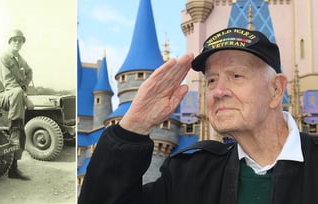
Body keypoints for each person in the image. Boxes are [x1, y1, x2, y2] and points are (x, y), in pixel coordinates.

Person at [78, 27, 318, 204]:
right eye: (212, 80)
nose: (219, 91)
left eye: (236, 76)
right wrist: (131, 129)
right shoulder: (190, 174)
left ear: (276, 89)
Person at [0, 29, 33, 180]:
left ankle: (13, 170)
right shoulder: (3, 58)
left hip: (16, 97)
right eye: (14, 40)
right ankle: (14, 127)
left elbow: (30, 72)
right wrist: (25, 97)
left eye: (20, 40)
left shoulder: (20, 59)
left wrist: (24, 87)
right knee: (16, 93)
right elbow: (9, 83)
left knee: (20, 134)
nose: (17, 43)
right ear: (9, 42)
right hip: (4, 96)